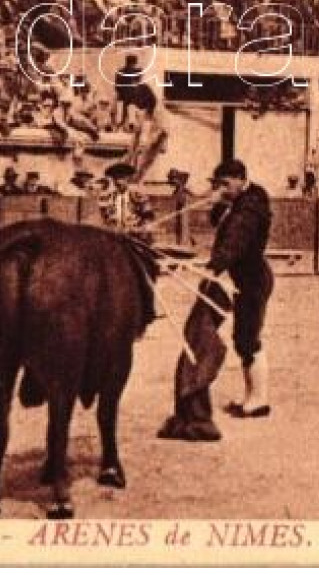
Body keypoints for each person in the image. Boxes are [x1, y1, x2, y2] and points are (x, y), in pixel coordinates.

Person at [158, 159, 274, 442]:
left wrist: (214, 266)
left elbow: (235, 242)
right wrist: (218, 201)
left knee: (247, 339)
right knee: (233, 335)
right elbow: (218, 223)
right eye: (218, 184)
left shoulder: (249, 209)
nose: (221, 189)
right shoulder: (243, 198)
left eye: (225, 184)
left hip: (250, 280)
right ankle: (253, 398)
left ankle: (258, 401)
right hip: (237, 276)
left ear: (239, 179)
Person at [97, 161, 153, 235]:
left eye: (121, 178)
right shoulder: (106, 197)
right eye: (115, 178)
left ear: (128, 178)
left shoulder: (137, 194)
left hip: (134, 234)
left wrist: (142, 228)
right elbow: (104, 218)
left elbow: (148, 215)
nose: (118, 182)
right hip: (114, 234)